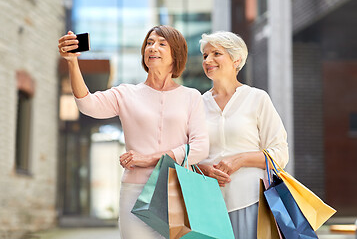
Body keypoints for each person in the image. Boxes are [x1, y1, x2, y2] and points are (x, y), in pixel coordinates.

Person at [58, 25, 209, 239]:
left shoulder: (191, 96)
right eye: (149, 43)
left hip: (177, 190)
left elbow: (201, 147)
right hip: (135, 192)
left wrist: (150, 159)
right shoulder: (126, 93)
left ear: (176, 54)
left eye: (161, 44)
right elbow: (87, 104)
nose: (152, 47)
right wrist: (72, 62)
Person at [197, 31, 289, 239]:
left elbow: (280, 154)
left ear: (236, 59)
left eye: (216, 54)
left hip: (251, 202)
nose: (208, 60)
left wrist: (241, 159)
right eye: (205, 55)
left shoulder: (257, 98)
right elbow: (187, 156)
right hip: (207, 205)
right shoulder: (197, 104)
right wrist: (203, 168)